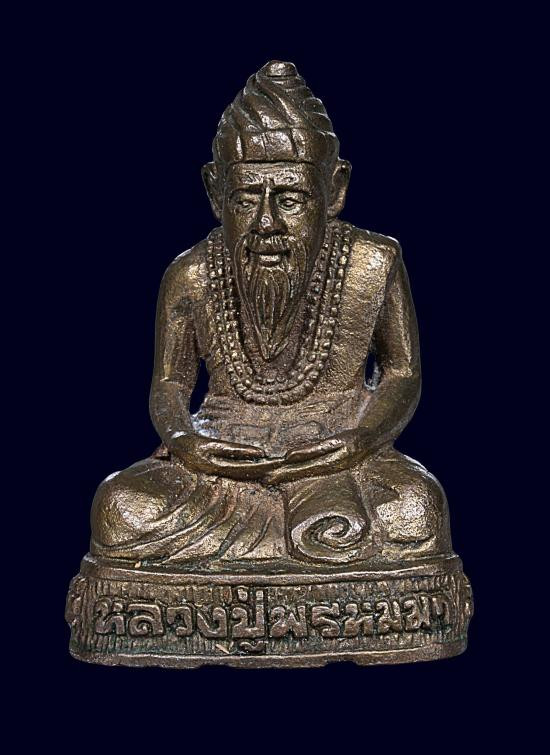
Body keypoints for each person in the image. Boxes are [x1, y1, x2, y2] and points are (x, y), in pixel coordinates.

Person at [91, 61, 451, 567]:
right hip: (225, 459)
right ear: (215, 191)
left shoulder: (374, 263)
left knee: (415, 508)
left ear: (335, 189)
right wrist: (184, 441)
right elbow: (170, 384)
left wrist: (361, 440)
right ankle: (288, 549)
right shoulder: (190, 274)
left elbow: (401, 373)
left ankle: (277, 549)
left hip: (332, 457)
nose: (266, 222)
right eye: (245, 199)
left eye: (291, 198)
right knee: (122, 506)